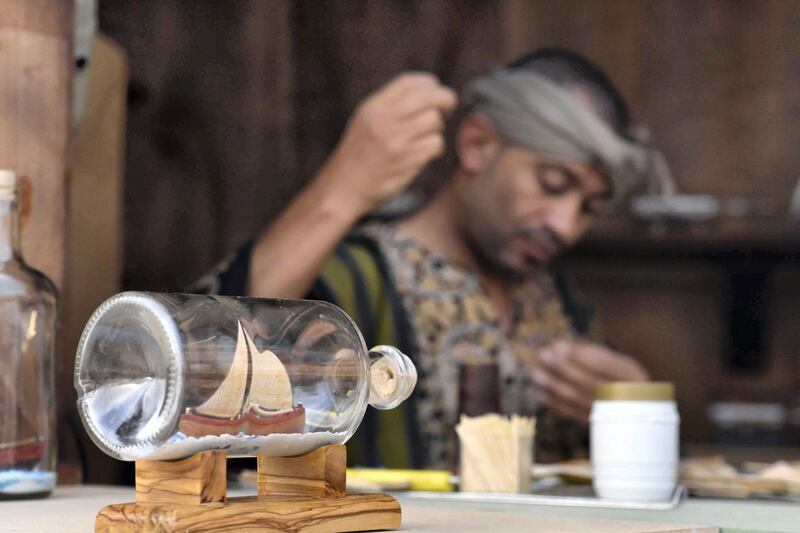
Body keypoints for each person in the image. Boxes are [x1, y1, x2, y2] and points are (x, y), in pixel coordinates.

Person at [194, 48, 672, 469]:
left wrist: (631, 407)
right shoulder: (349, 279)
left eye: (588, 206)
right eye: (553, 184)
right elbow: (193, 379)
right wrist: (341, 190)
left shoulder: (564, 305)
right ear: (477, 145)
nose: (567, 224)